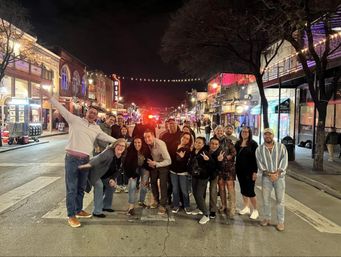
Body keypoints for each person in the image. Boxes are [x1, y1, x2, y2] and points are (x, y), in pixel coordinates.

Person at [40, 88, 117, 228]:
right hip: (72, 159)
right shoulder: (74, 120)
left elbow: (106, 137)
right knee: (72, 188)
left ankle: (78, 209)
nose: (92, 114)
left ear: (96, 115)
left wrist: (119, 142)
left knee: (82, 187)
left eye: (95, 113)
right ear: (86, 112)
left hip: (86, 160)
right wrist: (50, 98)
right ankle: (71, 215)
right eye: (91, 112)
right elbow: (61, 109)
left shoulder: (96, 128)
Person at [79, 139, 127, 218]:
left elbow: (118, 170)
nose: (120, 147)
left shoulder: (122, 157)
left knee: (111, 187)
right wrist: (85, 166)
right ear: (115, 145)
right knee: (99, 186)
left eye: (123, 146)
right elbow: (97, 159)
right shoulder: (108, 153)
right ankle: (97, 211)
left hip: (105, 175)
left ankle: (106, 206)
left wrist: (112, 178)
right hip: (95, 173)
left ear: (125, 148)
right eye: (119, 145)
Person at [255, 128, 288, 231]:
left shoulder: (281, 147)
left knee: (280, 200)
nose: (267, 136)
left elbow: (284, 161)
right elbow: (260, 164)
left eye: (269, 134)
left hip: (279, 177)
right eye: (265, 135)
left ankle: (280, 222)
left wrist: (277, 173)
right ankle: (267, 218)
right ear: (263, 136)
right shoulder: (259, 149)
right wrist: (270, 174)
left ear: (273, 135)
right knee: (265, 200)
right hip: (266, 178)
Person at [144, 129, 172, 215]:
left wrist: (156, 164)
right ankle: (156, 200)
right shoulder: (147, 144)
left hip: (163, 164)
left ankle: (163, 204)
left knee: (163, 184)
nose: (147, 139)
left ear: (153, 136)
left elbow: (169, 161)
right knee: (153, 182)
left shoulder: (160, 144)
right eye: (145, 137)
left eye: (149, 136)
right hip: (154, 164)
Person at [235, 126, 259, 220]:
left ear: (249, 133)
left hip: (250, 171)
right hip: (240, 170)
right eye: (243, 131)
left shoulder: (253, 144)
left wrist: (255, 172)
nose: (244, 133)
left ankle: (255, 210)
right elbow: (233, 154)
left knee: (250, 191)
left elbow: (256, 159)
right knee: (243, 189)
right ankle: (246, 207)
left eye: (246, 132)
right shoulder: (238, 143)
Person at [124, 137, 153, 215]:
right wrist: (130, 176)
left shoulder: (146, 150)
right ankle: (131, 207)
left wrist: (149, 171)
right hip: (133, 170)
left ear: (142, 143)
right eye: (135, 142)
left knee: (144, 185)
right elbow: (126, 165)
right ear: (133, 143)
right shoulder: (130, 151)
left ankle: (141, 201)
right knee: (132, 186)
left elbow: (149, 161)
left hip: (144, 168)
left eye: (139, 142)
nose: (137, 144)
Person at [188, 137, 214, 224]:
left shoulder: (205, 153)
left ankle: (206, 214)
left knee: (199, 194)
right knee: (195, 193)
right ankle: (199, 208)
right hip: (195, 176)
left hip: (203, 177)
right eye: (196, 142)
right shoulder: (193, 152)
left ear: (203, 144)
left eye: (200, 143)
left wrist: (208, 160)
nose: (197, 144)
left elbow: (212, 166)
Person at [170, 132, 193, 215]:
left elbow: (186, 163)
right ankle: (176, 205)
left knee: (184, 190)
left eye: (187, 139)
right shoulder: (174, 145)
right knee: (175, 189)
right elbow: (171, 157)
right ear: (181, 137)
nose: (185, 139)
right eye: (184, 137)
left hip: (183, 172)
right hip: (173, 171)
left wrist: (182, 158)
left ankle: (186, 205)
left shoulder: (188, 150)